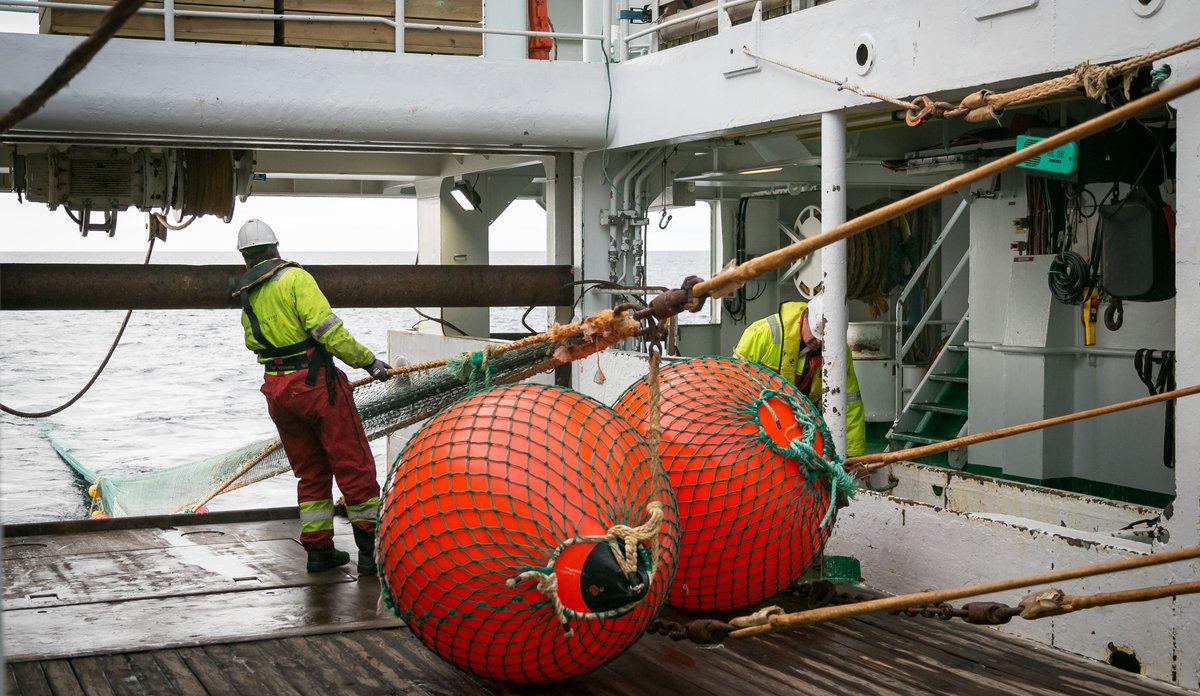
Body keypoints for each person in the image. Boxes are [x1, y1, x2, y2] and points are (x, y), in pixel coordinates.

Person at [233, 219, 392, 574]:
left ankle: (318, 552)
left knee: (310, 472)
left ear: (245, 258)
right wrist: (368, 362)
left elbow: (251, 342)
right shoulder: (296, 278)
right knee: (353, 465)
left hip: (277, 389)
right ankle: (370, 553)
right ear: (276, 248)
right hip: (315, 384)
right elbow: (327, 332)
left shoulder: (247, 294)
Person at [733, 294, 866, 457]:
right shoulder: (762, 333)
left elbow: (849, 400)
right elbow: (736, 385)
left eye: (823, 341)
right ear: (805, 315)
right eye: (815, 335)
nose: (817, 343)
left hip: (804, 425)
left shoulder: (838, 351)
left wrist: (852, 454)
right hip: (759, 423)